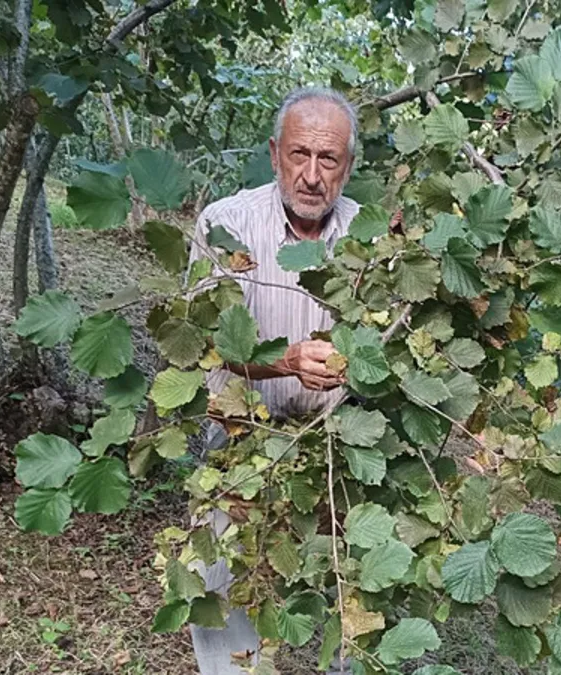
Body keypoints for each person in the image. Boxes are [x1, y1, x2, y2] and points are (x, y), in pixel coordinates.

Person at [186, 86, 360, 675]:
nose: (312, 175)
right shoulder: (226, 225)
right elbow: (199, 345)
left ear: (348, 165)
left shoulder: (369, 242)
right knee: (223, 586)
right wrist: (284, 362)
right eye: (299, 155)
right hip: (241, 436)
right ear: (274, 153)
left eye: (328, 159)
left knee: (349, 585)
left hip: (338, 445)